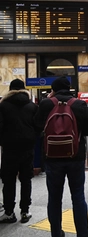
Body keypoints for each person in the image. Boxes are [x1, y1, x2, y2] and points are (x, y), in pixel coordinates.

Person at [34, 76, 88, 237]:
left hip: (52, 157)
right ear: (69, 88)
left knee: (54, 197)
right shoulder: (78, 104)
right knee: (78, 195)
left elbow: (36, 125)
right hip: (75, 156)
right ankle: (83, 233)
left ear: (53, 89)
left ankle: (56, 233)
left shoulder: (46, 104)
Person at [0, 79, 38, 224]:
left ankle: (9, 212)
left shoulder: (3, 106)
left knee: (8, 180)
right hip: (28, 148)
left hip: (9, 148)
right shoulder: (32, 106)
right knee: (26, 179)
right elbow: (38, 126)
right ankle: (25, 211)